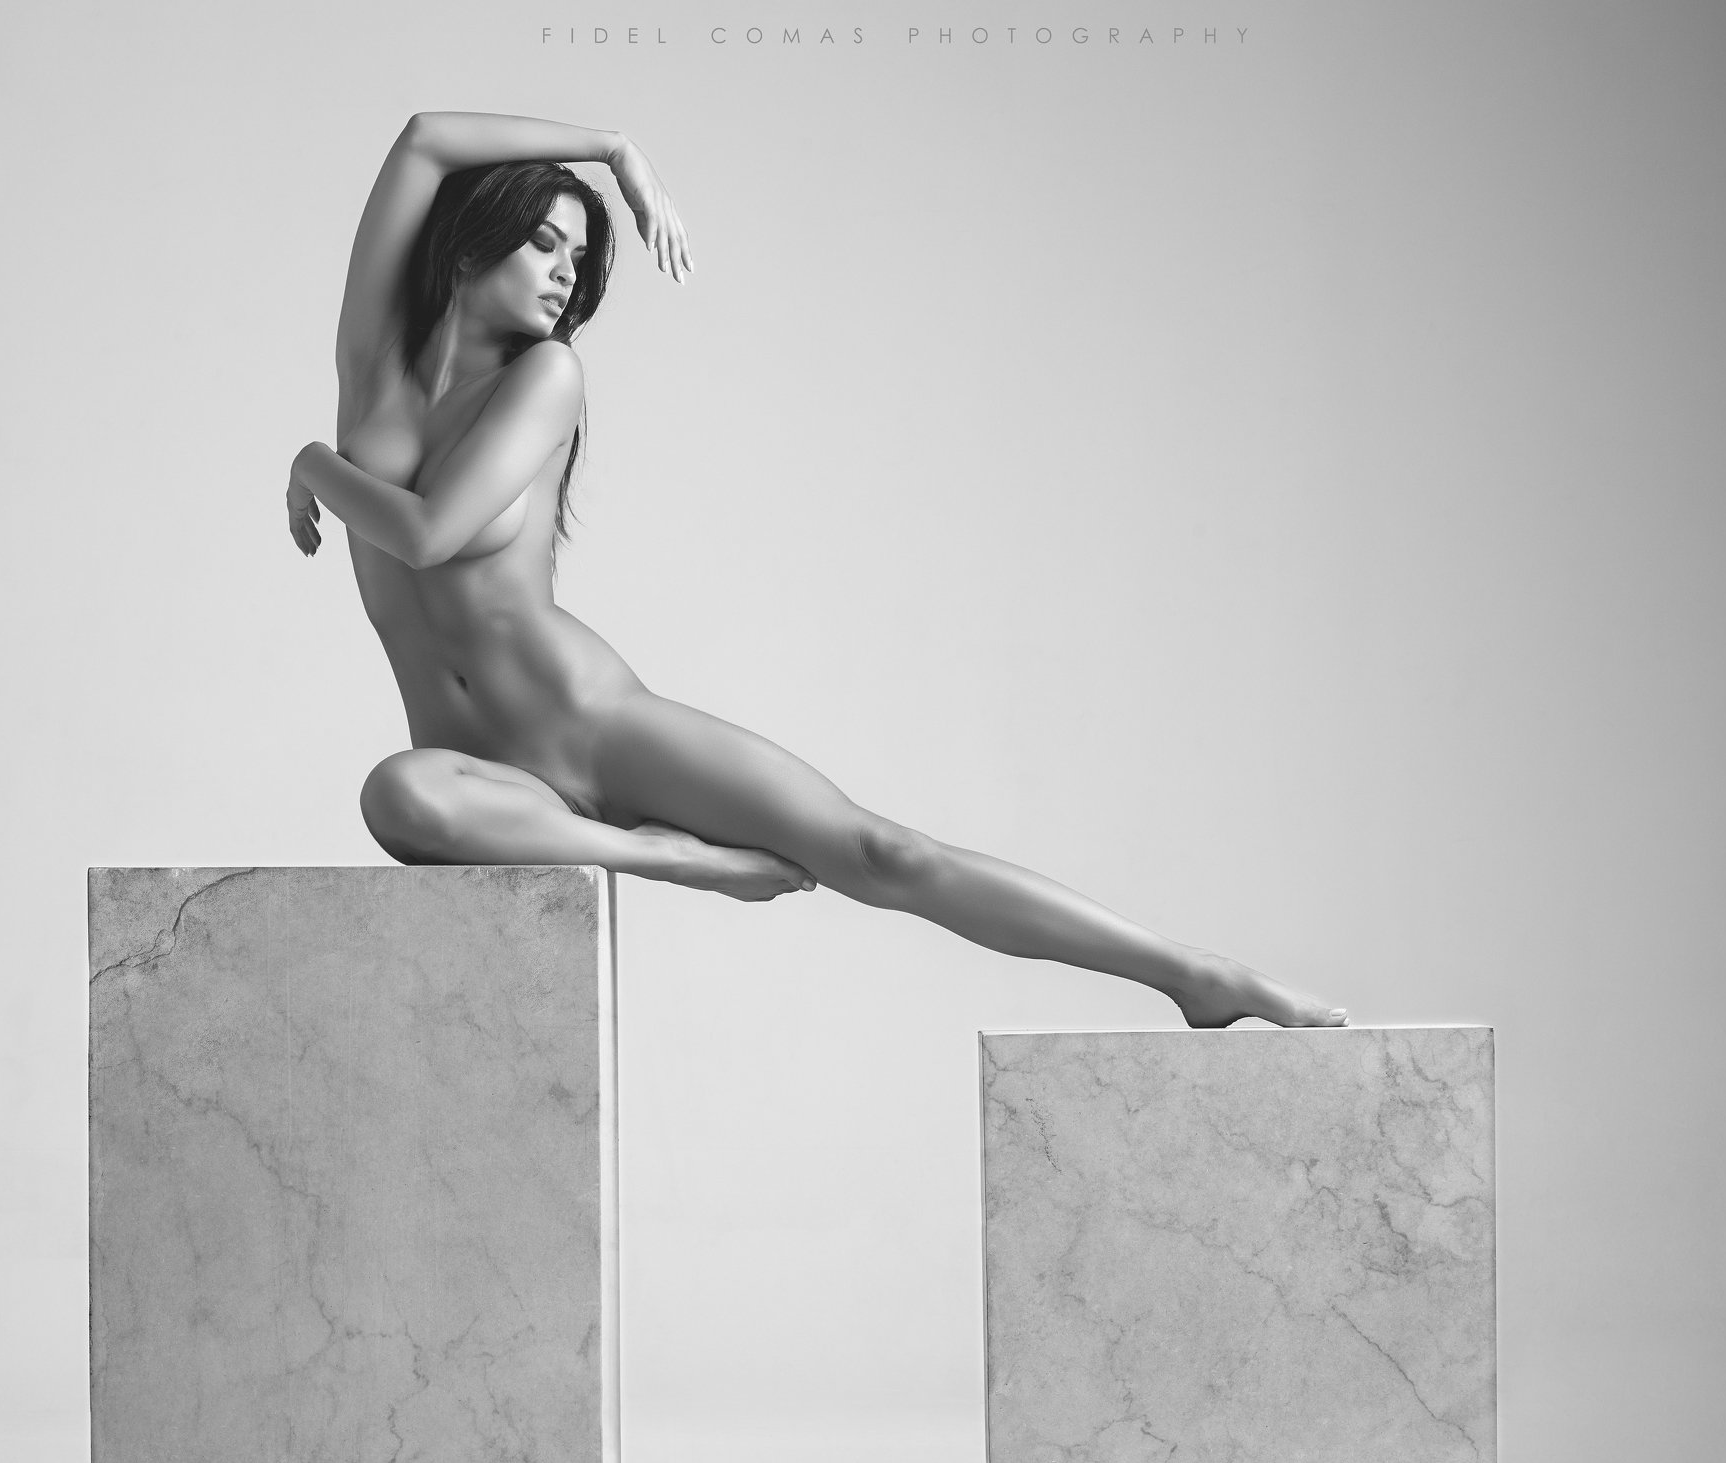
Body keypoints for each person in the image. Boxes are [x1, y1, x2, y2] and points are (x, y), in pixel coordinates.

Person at [286, 111, 1347, 1029]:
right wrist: (610, 149)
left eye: (580, 254)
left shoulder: (547, 377)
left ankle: (1194, 975)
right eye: (544, 242)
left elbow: (428, 534)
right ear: (469, 247)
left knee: (884, 855)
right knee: (397, 795)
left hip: (596, 724)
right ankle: (665, 858)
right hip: (489, 780)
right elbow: (424, 140)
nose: (568, 272)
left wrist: (313, 464)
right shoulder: (372, 364)